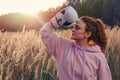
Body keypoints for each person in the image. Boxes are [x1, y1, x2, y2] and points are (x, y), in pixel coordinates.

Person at [40, 6, 112, 80]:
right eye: (73, 27)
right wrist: (55, 21)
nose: (73, 30)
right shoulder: (63, 46)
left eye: (77, 28)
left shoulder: (98, 56)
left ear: (87, 34)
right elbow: (44, 33)